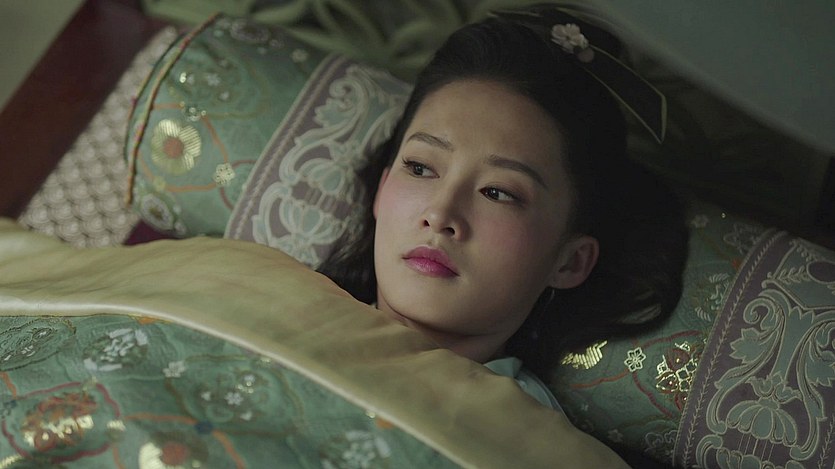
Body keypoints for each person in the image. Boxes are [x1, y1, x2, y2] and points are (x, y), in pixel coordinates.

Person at [318, 7, 688, 411]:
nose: (440, 215)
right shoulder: (280, 300)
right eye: (420, 168)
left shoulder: (526, 432)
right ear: (382, 188)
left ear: (570, 261)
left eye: (497, 192)